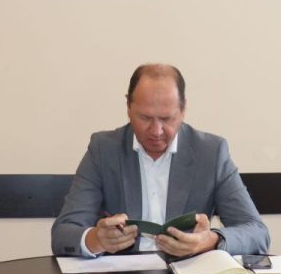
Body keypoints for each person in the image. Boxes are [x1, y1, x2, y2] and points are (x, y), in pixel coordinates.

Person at [52, 63, 269, 258]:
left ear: (183, 110)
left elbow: (257, 233)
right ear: (128, 107)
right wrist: (96, 239)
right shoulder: (103, 149)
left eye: (166, 118)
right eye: (145, 118)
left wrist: (211, 240)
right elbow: (63, 233)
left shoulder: (211, 152)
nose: (156, 131)